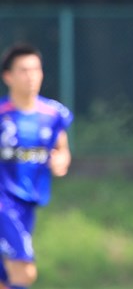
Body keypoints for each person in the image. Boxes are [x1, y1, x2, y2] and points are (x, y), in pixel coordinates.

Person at [0, 44, 72, 289]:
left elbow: (62, 149)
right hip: (3, 204)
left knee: (5, 278)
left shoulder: (53, 114)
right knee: (25, 271)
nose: (31, 76)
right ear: (8, 76)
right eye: (23, 70)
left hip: (28, 203)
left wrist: (61, 161)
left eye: (35, 70)